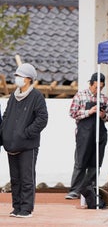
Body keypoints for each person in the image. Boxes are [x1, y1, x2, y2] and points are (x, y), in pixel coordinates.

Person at [1, 63, 48, 218]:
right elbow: (6, 116)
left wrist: (27, 133)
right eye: (16, 76)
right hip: (11, 144)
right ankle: (17, 207)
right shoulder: (14, 97)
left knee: (27, 178)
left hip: (28, 145)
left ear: (28, 79)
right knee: (15, 178)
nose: (17, 78)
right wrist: (4, 133)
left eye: (19, 76)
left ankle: (26, 209)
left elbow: (42, 119)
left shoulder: (36, 97)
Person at [66, 73, 108, 204]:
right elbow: (72, 113)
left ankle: (90, 188)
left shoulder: (104, 99)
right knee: (80, 162)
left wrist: (103, 115)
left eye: (101, 88)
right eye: (96, 87)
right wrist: (89, 112)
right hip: (83, 134)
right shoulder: (80, 95)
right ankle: (74, 190)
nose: (98, 90)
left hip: (100, 134)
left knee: (95, 163)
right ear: (91, 84)